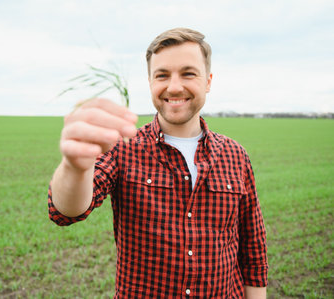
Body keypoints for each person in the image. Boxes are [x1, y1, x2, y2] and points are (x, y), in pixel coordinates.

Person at [48, 27, 268, 298]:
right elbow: (67, 211)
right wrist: (74, 166)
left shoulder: (236, 155)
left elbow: (253, 250)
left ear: (208, 81)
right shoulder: (123, 148)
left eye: (188, 73)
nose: (174, 86)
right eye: (162, 75)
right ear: (150, 82)